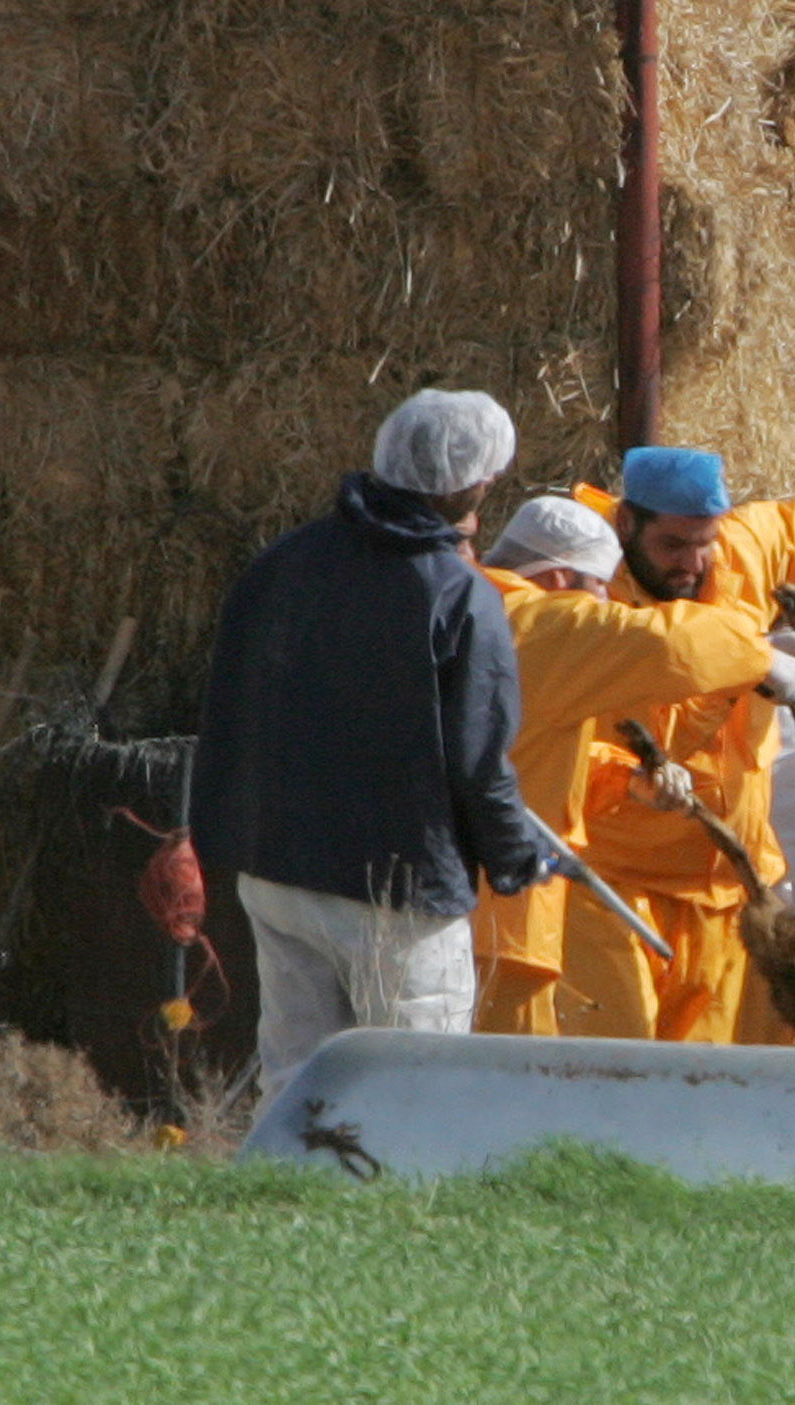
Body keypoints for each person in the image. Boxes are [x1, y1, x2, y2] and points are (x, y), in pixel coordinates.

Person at [190, 388, 552, 1111]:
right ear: (469, 484)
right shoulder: (457, 594)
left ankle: (284, 1204)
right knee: (413, 1085)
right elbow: (477, 761)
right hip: (396, 891)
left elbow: (227, 707)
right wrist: (517, 856)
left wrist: (221, 834)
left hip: (277, 869)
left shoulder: (281, 564)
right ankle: (404, 1219)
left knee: (295, 1078)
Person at [566, 447, 795, 1043]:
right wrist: (631, 779)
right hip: (623, 886)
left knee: (725, 1079)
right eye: (673, 546)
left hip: (732, 884)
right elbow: (555, 739)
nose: (693, 563)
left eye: (704, 541)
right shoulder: (587, 593)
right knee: (622, 1067)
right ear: (626, 523)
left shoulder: (743, 548)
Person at [468, 495, 792, 1036]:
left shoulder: (464, 608)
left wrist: (624, 780)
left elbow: (522, 759)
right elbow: (669, 645)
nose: (605, 604)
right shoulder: (540, 626)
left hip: (440, 901)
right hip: (501, 914)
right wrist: (764, 655)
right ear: (557, 578)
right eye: (599, 589)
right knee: (515, 1086)